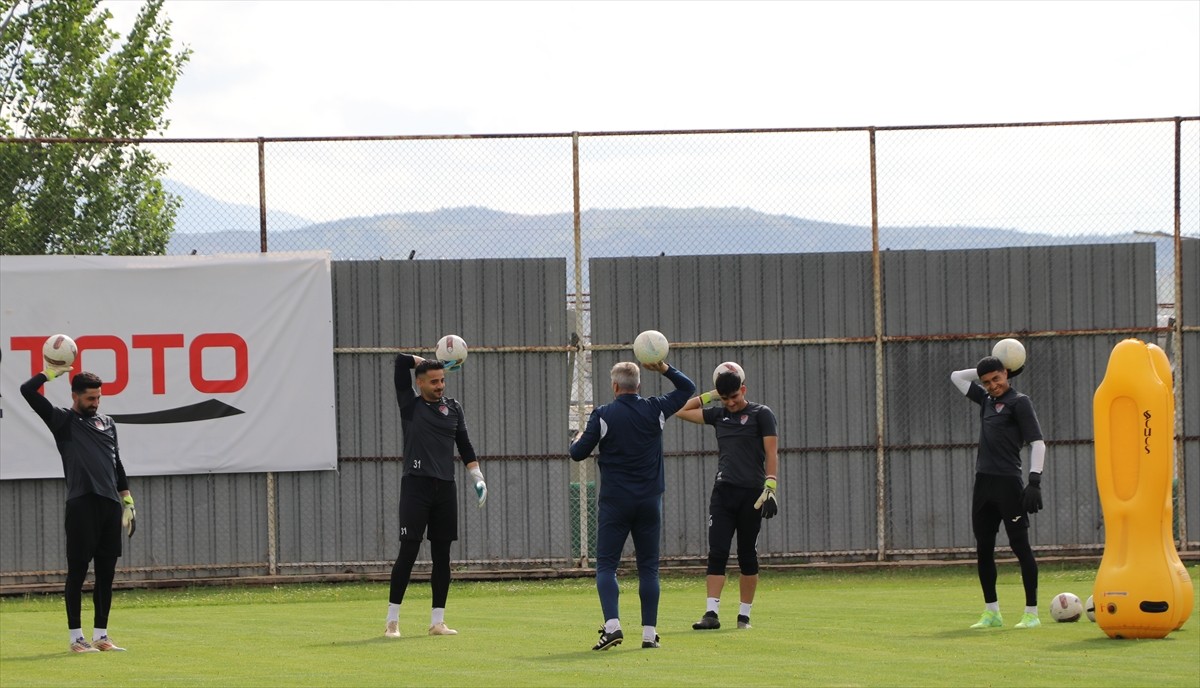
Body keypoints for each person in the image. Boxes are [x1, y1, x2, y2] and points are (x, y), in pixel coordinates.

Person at [569, 359, 695, 650]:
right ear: (639, 384)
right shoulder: (655, 409)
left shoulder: (603, 415)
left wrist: (578, 438)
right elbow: (688, 388)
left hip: (615, 502)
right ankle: (649, 634)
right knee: (649, 567)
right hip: (650, 501)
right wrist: (663, 367)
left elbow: (577, 454)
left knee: (607, 566)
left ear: (614, 386)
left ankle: (612, 626)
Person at [20, 367, 137, 653]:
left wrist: (128, 500)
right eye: (89, 398)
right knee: (77, 572)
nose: (95, 403)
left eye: (98, 398)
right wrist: (49, 374)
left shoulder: (108, 423)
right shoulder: (63, 420)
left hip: (110, 506)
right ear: (75, 396)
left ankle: (101, 636)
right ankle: (76, 639)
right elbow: (26, 391)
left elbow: (116, 463)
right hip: (81, 503)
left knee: (106, 573)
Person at [385, 354, 487, 638]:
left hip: (445, 488)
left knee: (443, 556)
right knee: (408, 551)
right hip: (415, 486)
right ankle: (392, 621)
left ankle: (437, 622)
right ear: (419, 383)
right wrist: (430, 356)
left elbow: (464, 445)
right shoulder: (410, 405)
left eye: (442, 379)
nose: (440, 385)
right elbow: (398, 361)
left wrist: (477, 477)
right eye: (434, 381)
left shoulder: (453, 408)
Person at [675, 367, 778, 631]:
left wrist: (771, 486)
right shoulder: (719, 413)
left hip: (752, 494)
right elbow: (680, 409)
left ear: (743, 389)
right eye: (725, 398)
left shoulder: (761, 414)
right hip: (724, 493)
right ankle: (711, 613)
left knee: (747, 555)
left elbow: (771, 451)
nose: (730, 403)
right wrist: (710, 396)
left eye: (734, 396)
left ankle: (744, 616)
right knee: (717, 552)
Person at [951, 356, 1046, 630]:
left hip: (1009, 484)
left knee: (1020, 548)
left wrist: (1034, 481)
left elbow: (1037, 443)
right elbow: (957, 376)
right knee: (984, 549)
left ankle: (1031, 613)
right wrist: (985, 368)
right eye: (986, 382)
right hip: (983, 484)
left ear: (1007, 373)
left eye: (997, 378)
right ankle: (992, 612)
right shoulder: (986, 401)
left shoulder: (1020, 402)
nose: (992, 385)